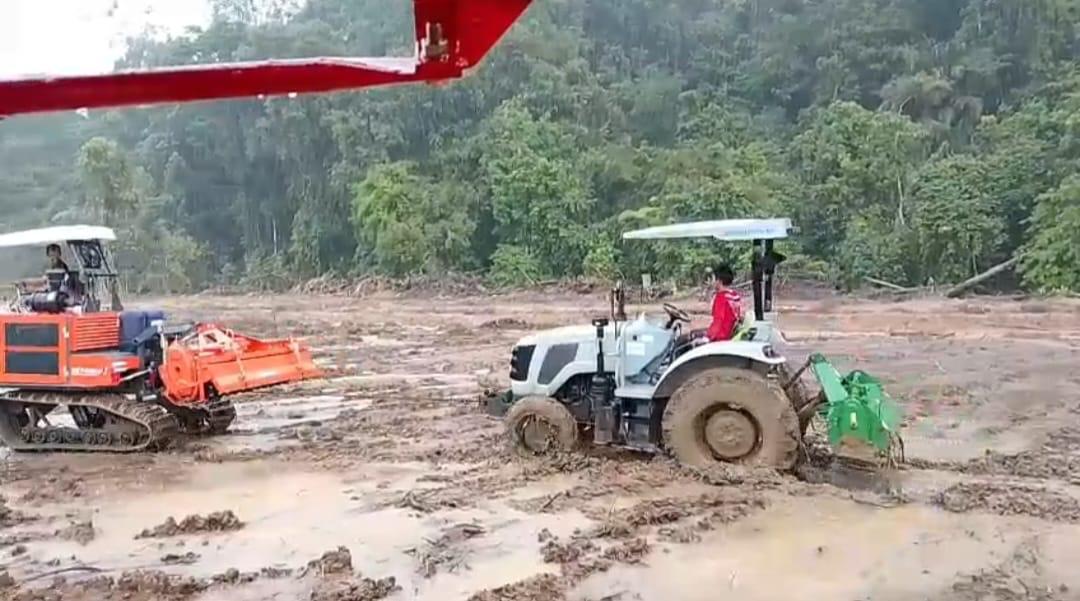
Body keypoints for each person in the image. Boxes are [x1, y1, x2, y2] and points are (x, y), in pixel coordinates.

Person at [704, 263, 743, 342]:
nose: (711, 282)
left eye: (713, 279)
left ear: (719, 281)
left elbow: (718, 323)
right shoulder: (735, 295)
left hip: (720, 339)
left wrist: (706, 338)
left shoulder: (721, 298)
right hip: (729, 334)